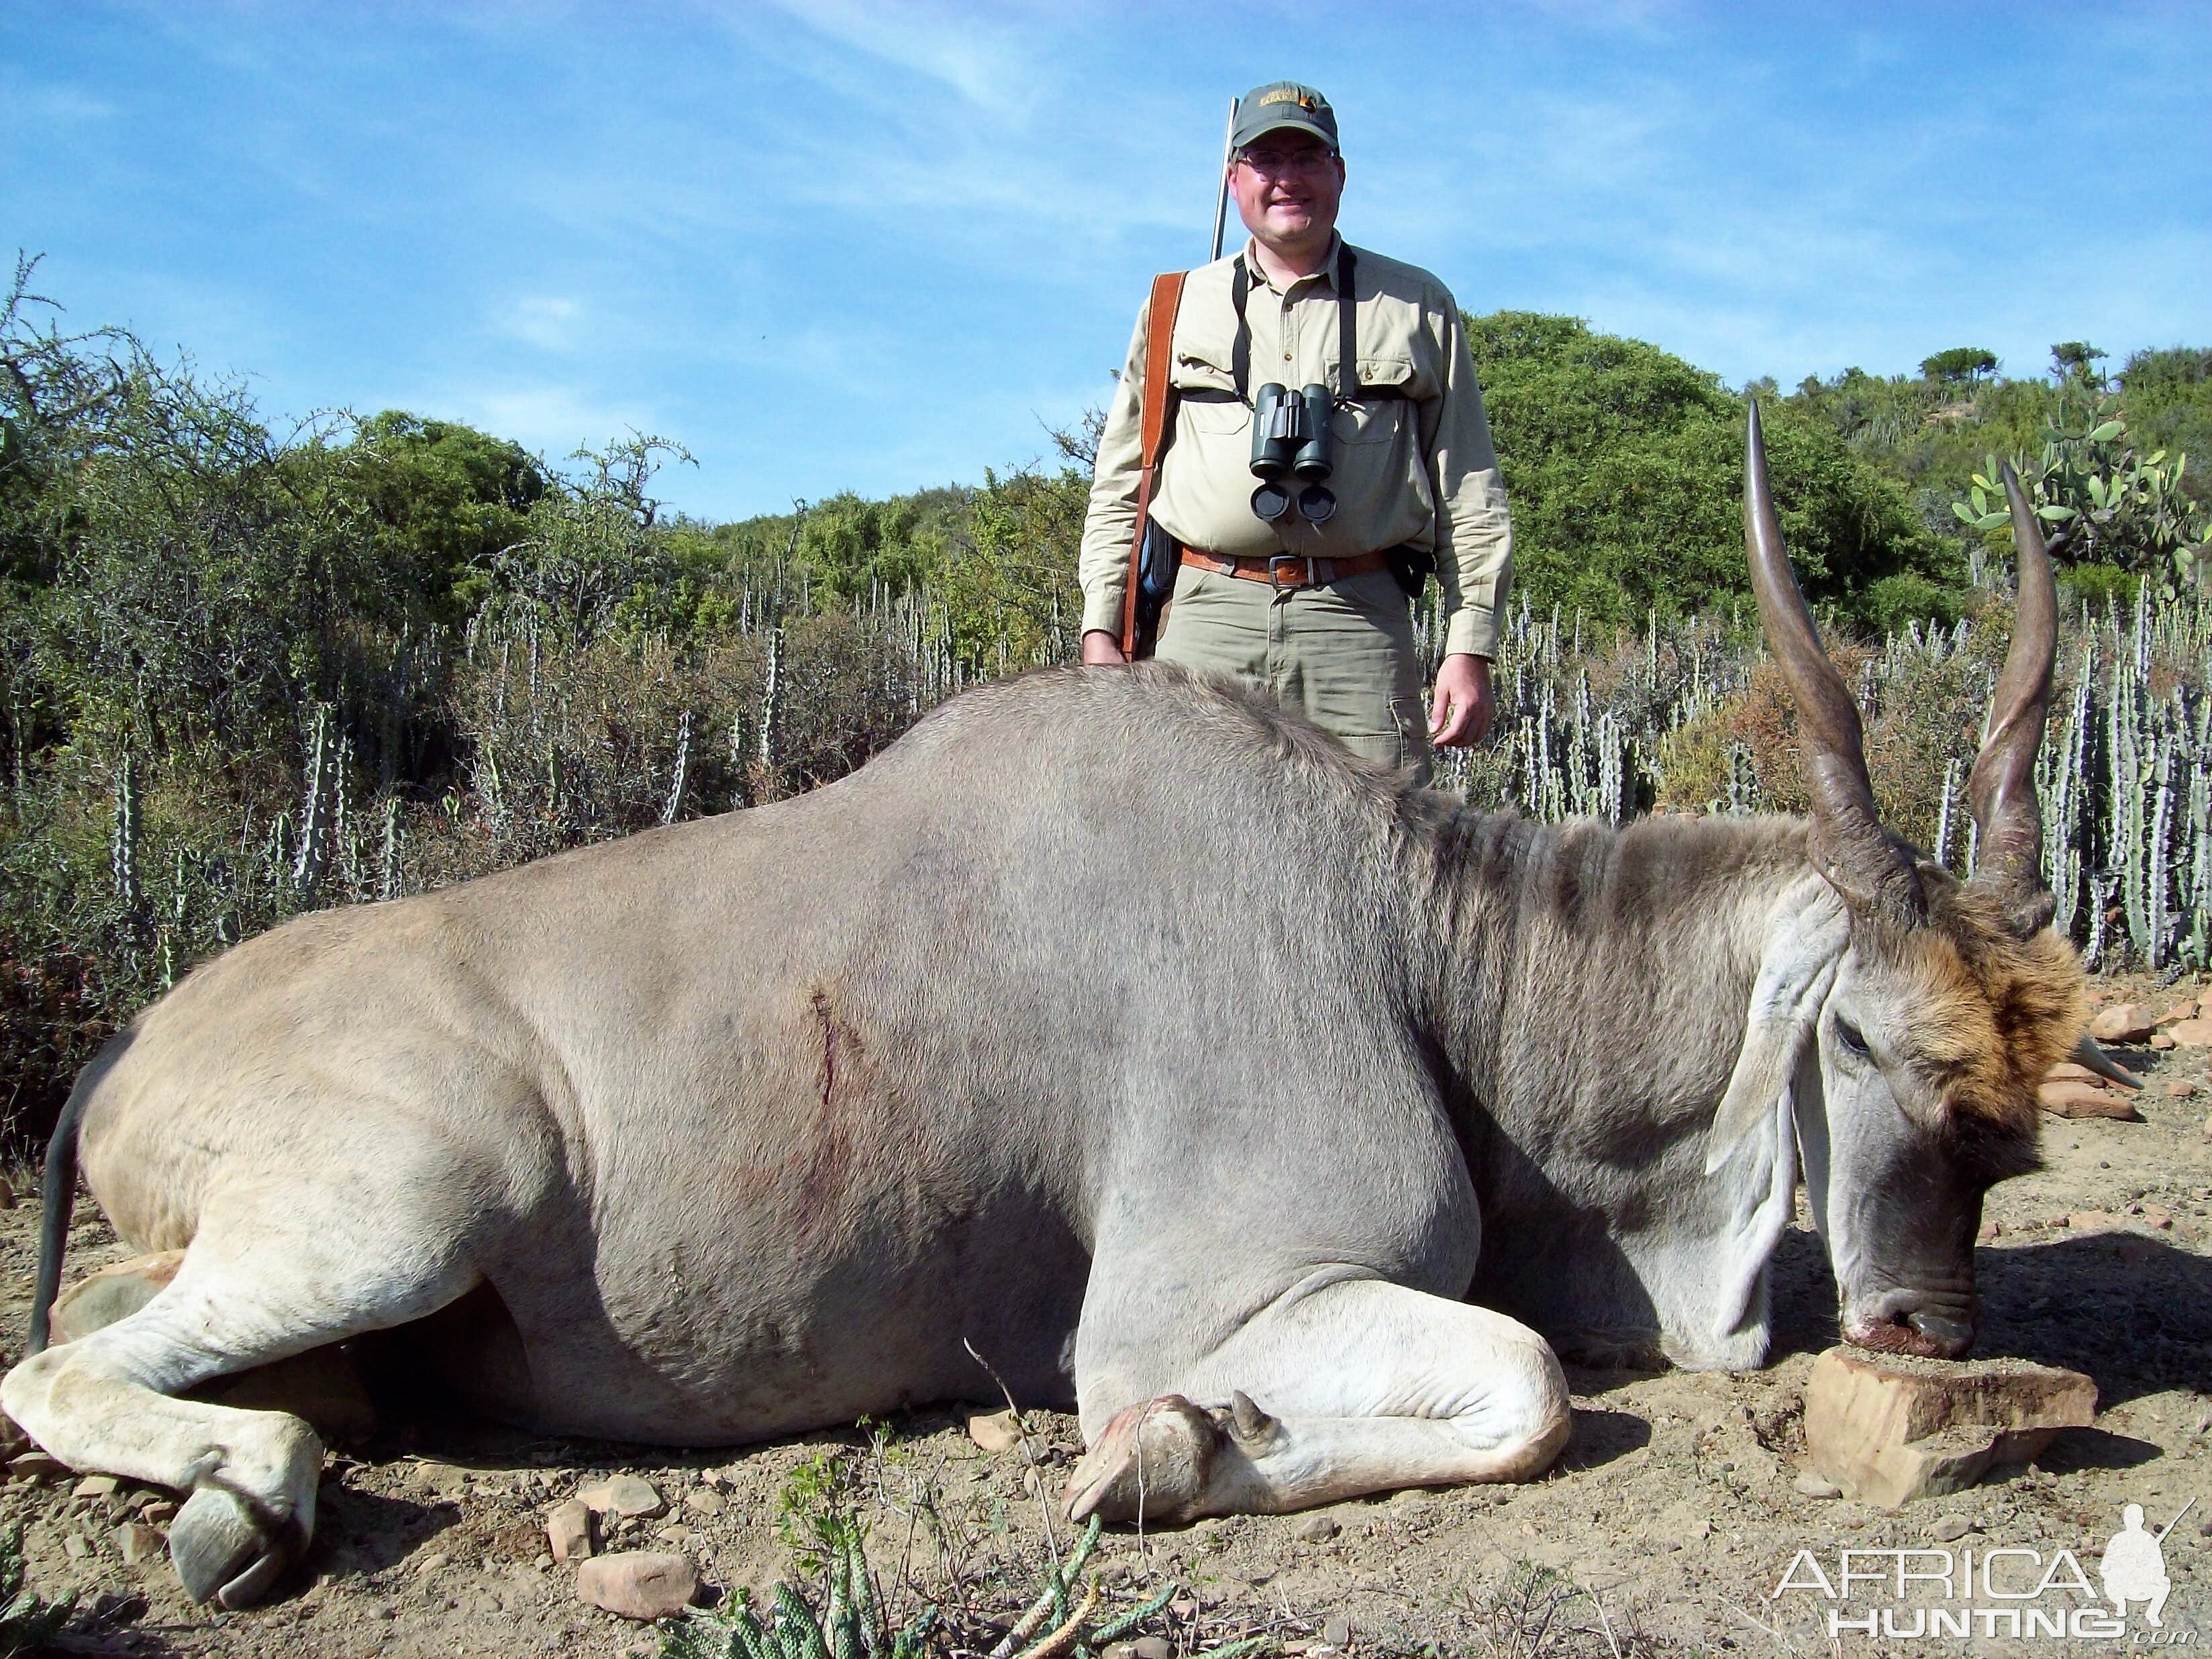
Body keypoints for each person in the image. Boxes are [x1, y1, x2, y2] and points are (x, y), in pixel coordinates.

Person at [1076, 81, 1513, 778]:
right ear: (1232, 179)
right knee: (1186, 846)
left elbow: (1468, 490)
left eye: (1307, 159)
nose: (1287, 179)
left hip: (1358, 619)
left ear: (1339, 171)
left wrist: (1469, 647)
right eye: (1265, 159)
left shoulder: (1418, 304)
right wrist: (1101, 628)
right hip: (1205, 618)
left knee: (1382, 852)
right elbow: (1122, 481)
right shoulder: (1173, 306)